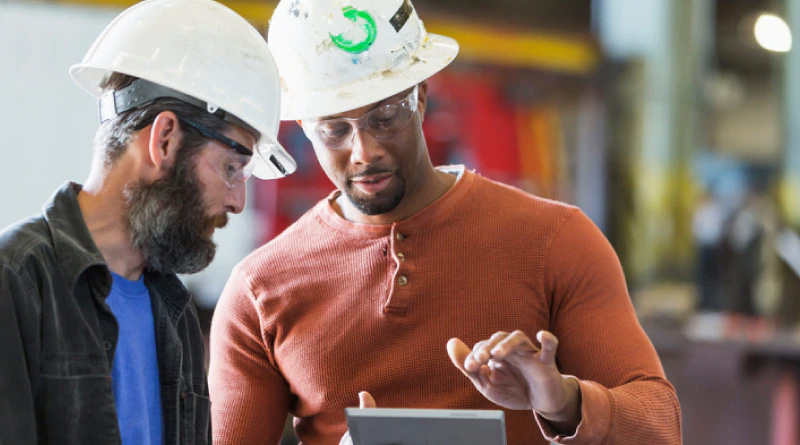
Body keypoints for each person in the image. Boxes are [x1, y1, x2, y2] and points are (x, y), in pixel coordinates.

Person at [208, 0, 681, 444]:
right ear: (304, 127)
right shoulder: (261, 289)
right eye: (333, 129)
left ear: (421, 96)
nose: (365, 151)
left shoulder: (555, 241)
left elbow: (661, 425)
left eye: (386, 116)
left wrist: (565, 402)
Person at [0, 0, 295, 444]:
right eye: (233, 168)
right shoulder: (16, 283)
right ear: (165, 139)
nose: (238, 201)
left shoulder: (172, 312)